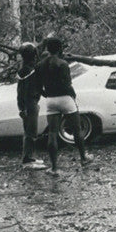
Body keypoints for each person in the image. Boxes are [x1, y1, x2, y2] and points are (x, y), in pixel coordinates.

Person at [36, 36, 93, 175]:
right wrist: (72, 96)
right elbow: (68, 85)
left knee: (52, 133)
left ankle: (54, 167)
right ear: (60, 49)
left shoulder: (40, 65)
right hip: (65, 99)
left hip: (51, 100)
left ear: (47, 49)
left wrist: (47, 95)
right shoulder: (62, 64)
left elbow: (38, 87)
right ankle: (83, 158)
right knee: (77, 129)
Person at [16, 42, 47, 169]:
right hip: (30, 104)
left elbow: (21, 92)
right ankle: (27, 161)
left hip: (28, 104)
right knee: (31, 133)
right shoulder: (30, 71)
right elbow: (29, 90)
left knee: (30, 132)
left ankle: (30, 157)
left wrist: (21, 107)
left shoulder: (25, 70)